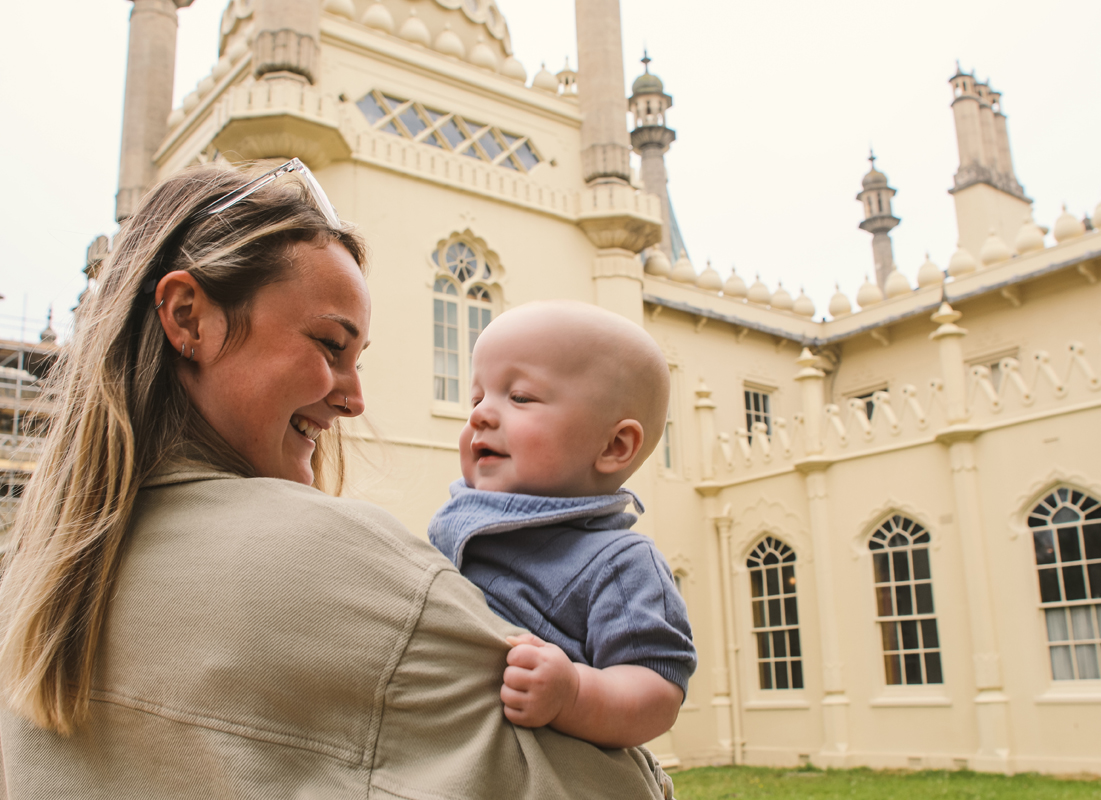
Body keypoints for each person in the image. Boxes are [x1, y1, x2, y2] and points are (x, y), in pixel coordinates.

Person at [0, 161, 671, 799]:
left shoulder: (34, 586)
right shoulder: (325, 559)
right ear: (187, 317)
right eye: (329, 345)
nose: (354, 400)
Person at [428, 301, 696, 750]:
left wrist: (572, 693)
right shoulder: (452, 524)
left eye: (519, 397)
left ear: (614, 445)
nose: (479, 415)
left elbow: (657, 690)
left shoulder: (619, 562)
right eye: (477, 398)